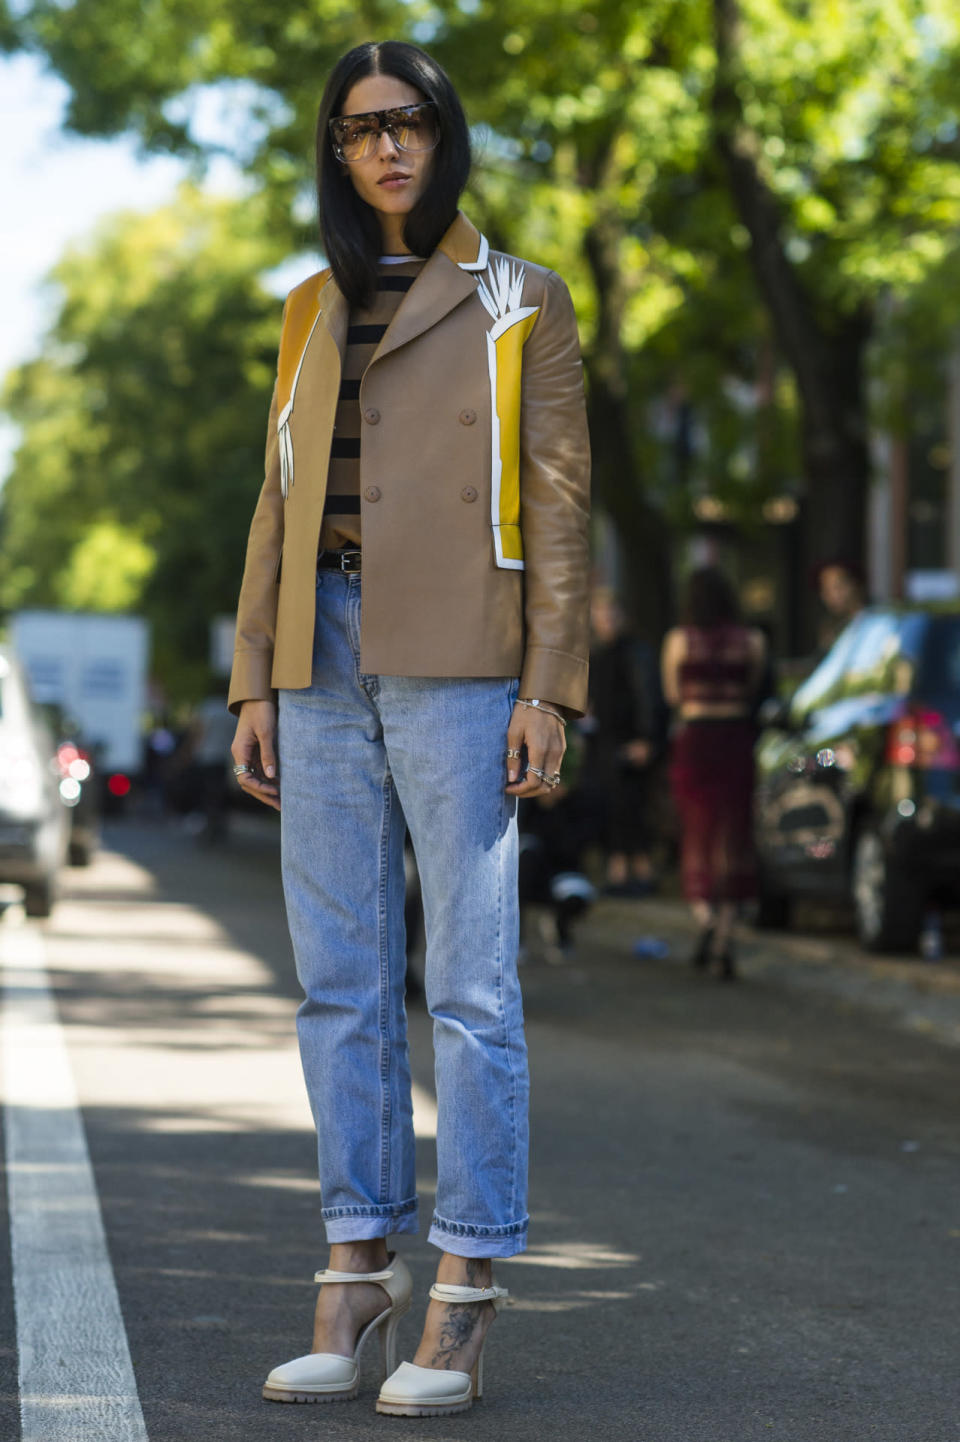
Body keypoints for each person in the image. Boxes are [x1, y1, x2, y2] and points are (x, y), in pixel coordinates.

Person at [228, 40, 590, 1418]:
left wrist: (550, 684)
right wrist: (253, 673)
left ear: (448, 137)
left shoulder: (521, 300)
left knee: (473, 988)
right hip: (318, 655)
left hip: (461, 659)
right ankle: (352, 1267)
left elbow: (558, 504)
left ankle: (468, 1285)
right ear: (337, 152)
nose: (385, 148)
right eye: (359, 129)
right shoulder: (310, 307)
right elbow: (275, 497)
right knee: (340, 981)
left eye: (409, 123)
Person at [661, 567, 766, 980]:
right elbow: (756, 688)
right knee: (733, 835)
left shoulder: (679, 640)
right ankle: (725, 932)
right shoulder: (753, 641)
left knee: (697, 831)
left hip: (697, 739)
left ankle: (704, 915)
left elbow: (672, 695)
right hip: (736, 738)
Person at [580, 586, 667, 896]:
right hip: (602, 740)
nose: (606, 619)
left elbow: (649, 698)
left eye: (611, 613)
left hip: (631, 739)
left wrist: (647, 738)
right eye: (600, 613)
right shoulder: (593, 653)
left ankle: (641, 870)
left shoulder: (638, 653)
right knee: (611, 804)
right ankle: (618, 870)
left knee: (634, 804)